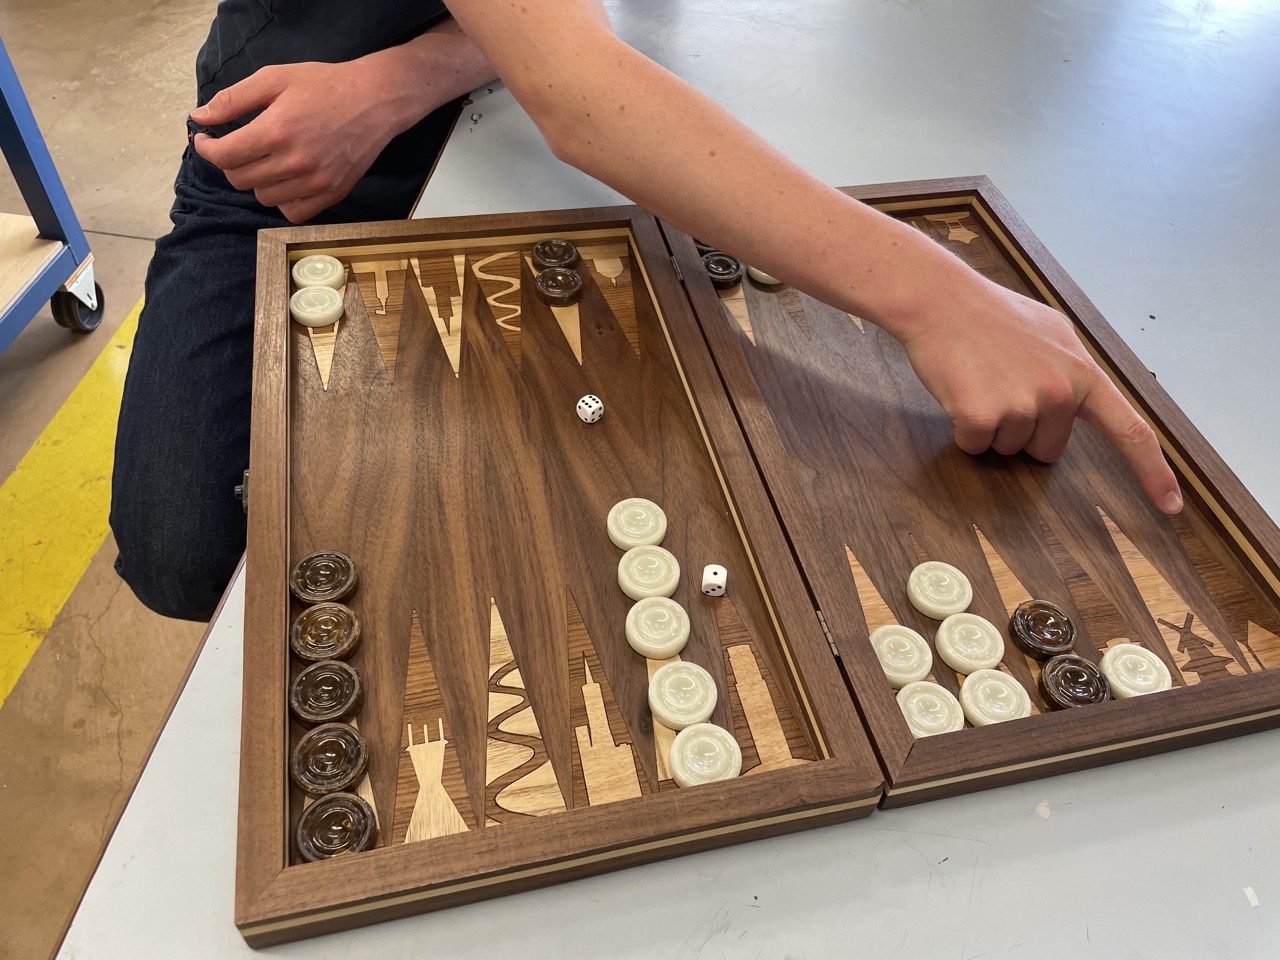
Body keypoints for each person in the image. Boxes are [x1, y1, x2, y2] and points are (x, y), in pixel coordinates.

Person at [113, 0, 1181, 623]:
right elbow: (580, 100)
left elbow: (580, 46)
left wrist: (419, 73)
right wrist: (937, 294)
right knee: (182, 550)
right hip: (289, 148)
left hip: (483, 108)